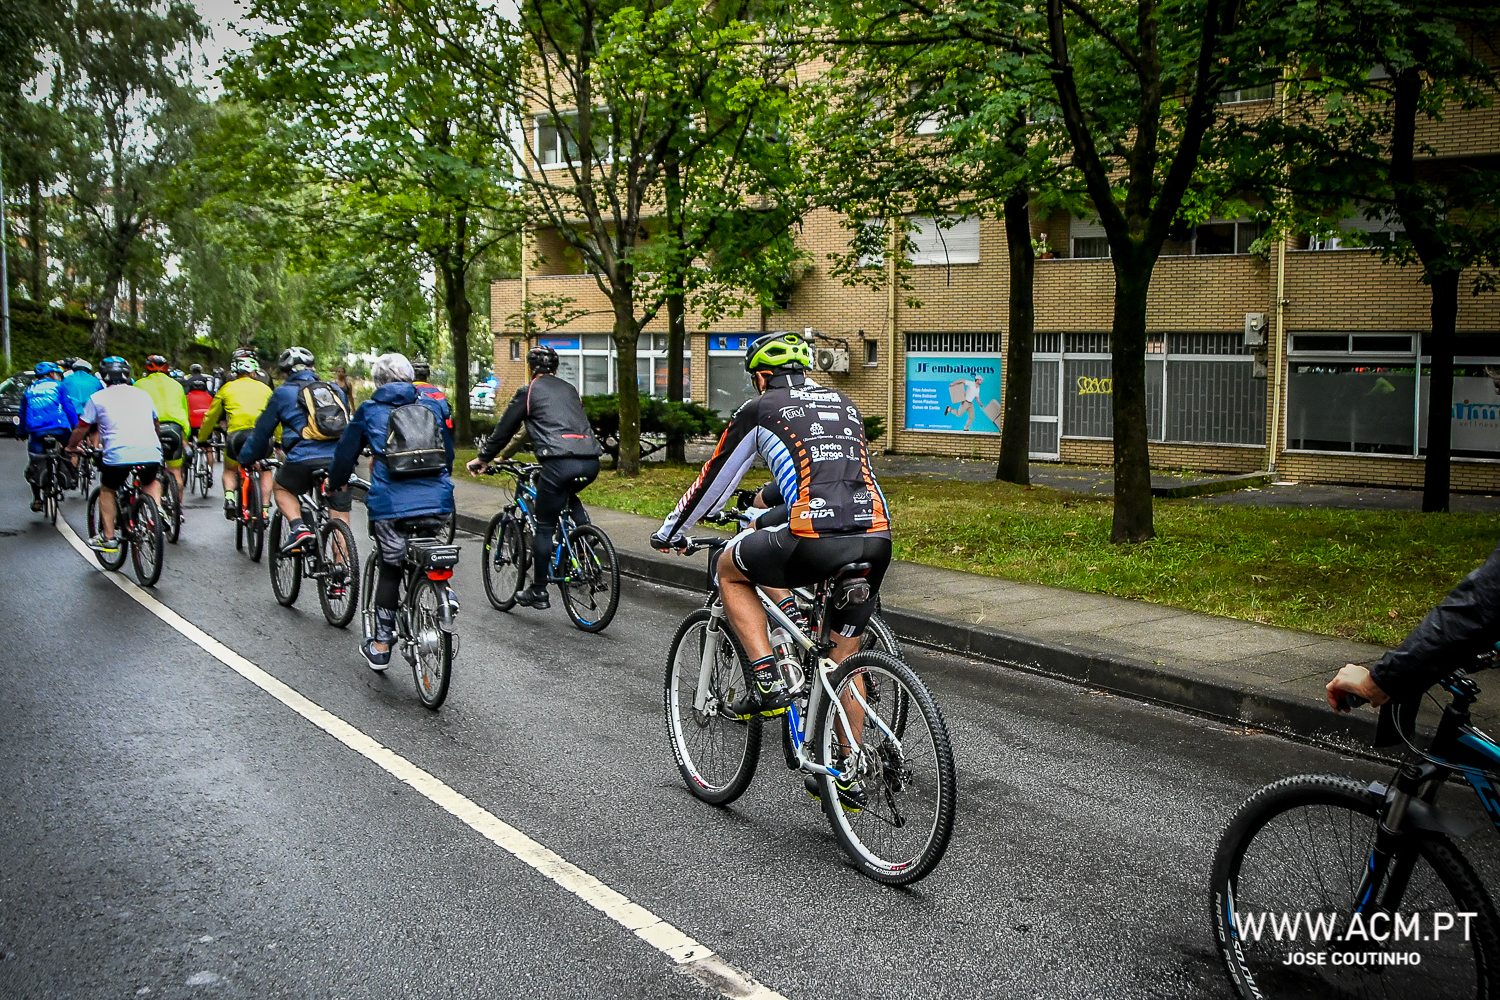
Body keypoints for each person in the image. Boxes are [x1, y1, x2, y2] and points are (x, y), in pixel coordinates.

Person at [649, 331, 893, 728]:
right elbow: (829, 469)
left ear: (762, 377)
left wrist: (671, 531)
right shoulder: (844, 404)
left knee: (728, 568)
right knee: (842, 662)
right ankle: (851, 765)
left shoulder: (761, 408)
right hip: (876, 536)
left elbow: (714, 480)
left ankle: (766, 681)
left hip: (815, 538)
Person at [329, 353, 455, 669]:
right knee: (427, 546)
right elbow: (448, 454)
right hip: (438, 500)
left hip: (391, 505)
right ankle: (444, 593)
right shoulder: (433, 406)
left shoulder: (370, 410)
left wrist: (336, 482)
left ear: (378, 381)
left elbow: (345, 454)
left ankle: (382, 645)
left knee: (390, 565)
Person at [465, 345, 602, 610]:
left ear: (530, 369)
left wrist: (484, 458)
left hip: (558, 462)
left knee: (545, 525)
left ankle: (538, 591)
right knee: (564, 491)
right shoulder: (570, 390)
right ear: (556, 369)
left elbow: (505, 429)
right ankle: (584, 533)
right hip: (590, 462)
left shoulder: (528, 392)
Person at [238, 346, 352, 553]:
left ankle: (298, 527)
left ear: (285, 373)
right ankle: (342, 572)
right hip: (338, 460)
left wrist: (246, 458)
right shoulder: (334, 390)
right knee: (340, 517)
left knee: (282, 488)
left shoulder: (282, 393)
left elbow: (262, 434)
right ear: (313, 368)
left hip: (303, 458)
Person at [65, 358, 163, 555]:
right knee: (151, 481)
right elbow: (156, 423)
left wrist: (71, 447)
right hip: (150, 451)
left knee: (108, 489)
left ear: (104, 376)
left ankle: (109, 538)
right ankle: (157, 515)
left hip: (118, 455)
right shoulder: (143, 395)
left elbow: (82, 428)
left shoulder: (97, 398)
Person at [200, 356, 274, 519]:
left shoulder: (226, 388)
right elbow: (276, 416)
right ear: (254, 373)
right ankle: (265, 510)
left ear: (235, 373)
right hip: (261, 436)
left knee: (230, 470)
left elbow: (210, 417)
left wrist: (202, 438)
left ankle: (229, 498)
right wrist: (280, 441)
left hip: (236, 437)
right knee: (265, 470)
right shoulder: (266, 389)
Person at [20, 361, 79, 511]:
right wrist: (76, 428)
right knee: (70, 448)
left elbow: (23, 412)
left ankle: (37, 499)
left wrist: (21, 431)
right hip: (59, 427)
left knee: (35, 461)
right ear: (52, 374)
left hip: (37, 430)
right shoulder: (59, 386)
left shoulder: (29, 390)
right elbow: (69, 408)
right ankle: (71, 475)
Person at [136, 355, 192, 494]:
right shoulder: (177, 385)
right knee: (176, 471)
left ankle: (151, 503)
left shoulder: (139, 384)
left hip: (151, 429)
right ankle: (179, 506)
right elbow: (185, 411)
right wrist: (186, 437)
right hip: (175, 428)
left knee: (147, 475)